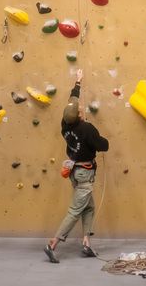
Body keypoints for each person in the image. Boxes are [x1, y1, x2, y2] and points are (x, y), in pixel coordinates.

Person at [45, 69, 109, 264]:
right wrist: (102, 138)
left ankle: (86, 243)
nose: (79, 107)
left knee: (89, 208)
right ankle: (52, 244)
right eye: (80, 109)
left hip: (75, 172)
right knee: (75, 211)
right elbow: (103, 146)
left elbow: (71, 101)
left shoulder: (65, 124)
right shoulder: (87, 129)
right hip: (84, 174)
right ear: (80, 114)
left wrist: (78, 82)